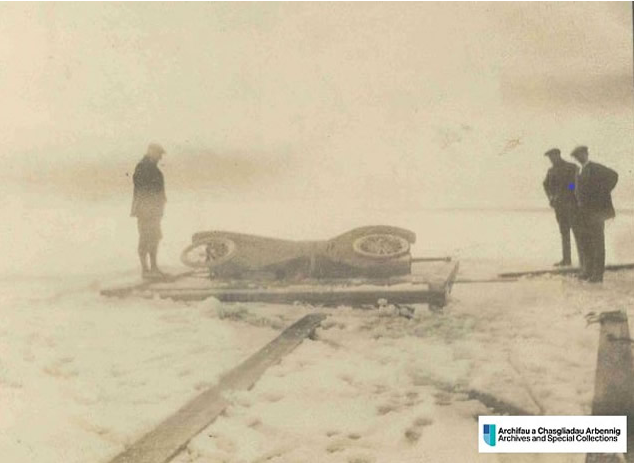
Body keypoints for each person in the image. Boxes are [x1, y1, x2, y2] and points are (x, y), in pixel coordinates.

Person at [570, 146, 618, 283]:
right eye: (576, 156)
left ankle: (598, 275)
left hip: (596, 213)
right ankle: (588, 271)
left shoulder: (595, 168)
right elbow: (575, 186)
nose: (578, 158)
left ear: (586, 154)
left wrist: (602, 192)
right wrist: (568, 188)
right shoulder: (579, 170)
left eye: (580, 155)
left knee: (597, 243)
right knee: (586, 243)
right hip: (583, 213)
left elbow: (614, 176)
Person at [131, 143, 167, 279]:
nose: (160, 158)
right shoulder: (142, 167)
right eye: (159, 154)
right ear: (151, 152)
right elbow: (142, 190)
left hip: (154, 210)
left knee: (155, 238)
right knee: (145, 239)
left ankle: (154, 268)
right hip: (146, 210)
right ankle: (146, 270)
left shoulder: (152, 168)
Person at [542, 148, 581, 267]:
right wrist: (551, 197)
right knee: (564, 233)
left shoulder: (571, 167)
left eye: (553, 157)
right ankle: (566, 260)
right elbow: (546, 185)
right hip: (559, 207)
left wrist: (567, 192)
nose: (551, 160)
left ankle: (584, 261)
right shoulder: (551, 171)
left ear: (558, 155)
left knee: (578, 233)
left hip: (572, 205)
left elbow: (574, 183)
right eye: (550, 158)